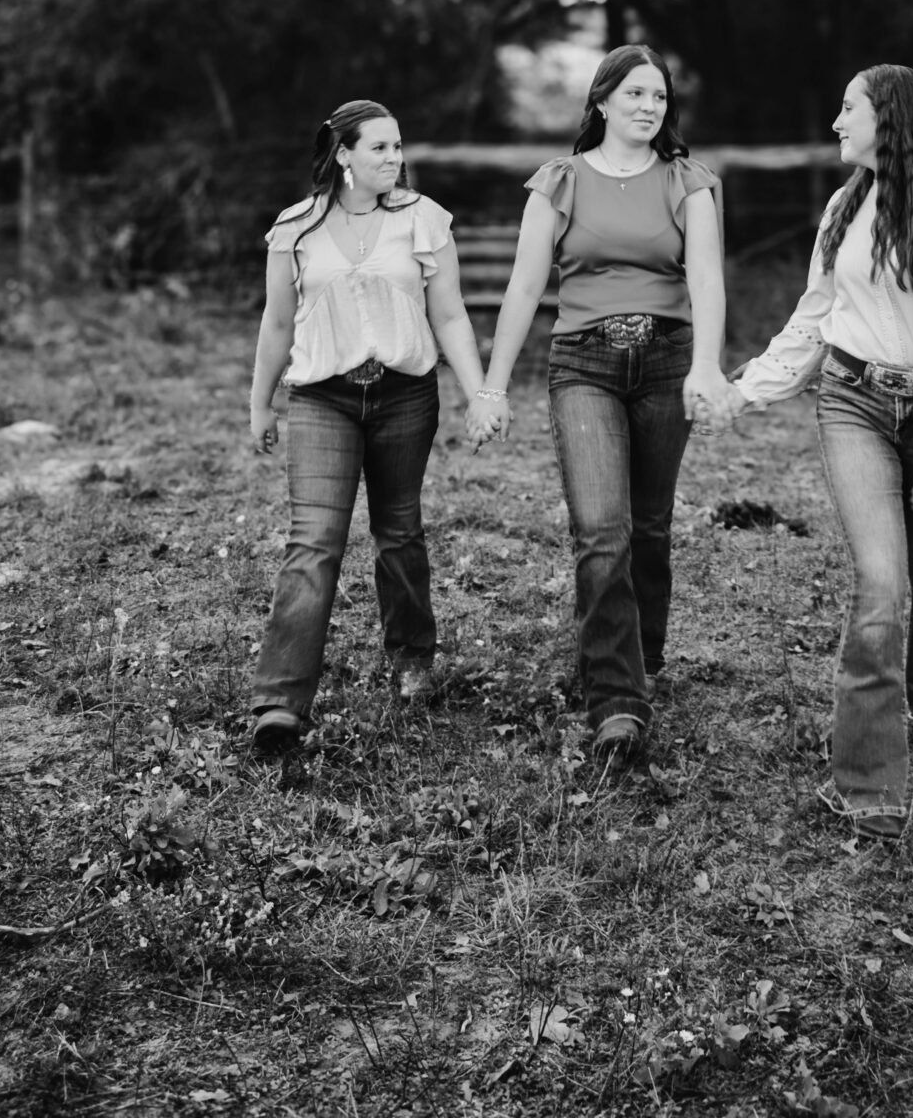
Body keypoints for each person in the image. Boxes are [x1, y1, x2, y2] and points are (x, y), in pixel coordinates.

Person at [733, 64, 913, 841]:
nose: (835, 122)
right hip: (850, 400)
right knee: (881, 581)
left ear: (888, 117)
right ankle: (868, 784)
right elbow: (815, 316)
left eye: (847, 109)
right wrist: (745, 389)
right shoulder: (843, 205)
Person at [464, 44, 734, 770]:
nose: (649, 106)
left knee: (648, 526)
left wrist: (706, 365)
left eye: (659, 96)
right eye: (636, 93)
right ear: (603, 101)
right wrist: (492, 386)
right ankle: (616, 699)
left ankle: (643, 656)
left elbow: (706, 279)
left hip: (666, 362)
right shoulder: (561, 181)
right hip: (584, 363)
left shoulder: (687, 181)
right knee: (601, 529)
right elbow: (525, 288)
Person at [247, 99, 505, 757]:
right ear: (344, 155)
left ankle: (412, 659)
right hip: (321, 398)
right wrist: (260, 403)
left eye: (398, 146)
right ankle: (279, 703)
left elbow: (450, 315)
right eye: (380, 147)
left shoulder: (423, 219)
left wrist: (479, 392)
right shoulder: (295, 229)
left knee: (398, 532)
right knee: (314, 541)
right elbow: (276, 323)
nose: (395, 158)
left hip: (404, 396)